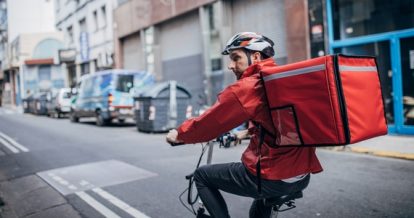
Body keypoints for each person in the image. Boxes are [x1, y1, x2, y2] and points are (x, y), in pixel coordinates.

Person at [166, 32, 323, 218]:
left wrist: (179, 134)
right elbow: (278, 122)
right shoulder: (279, 81)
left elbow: (211, 122)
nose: (230, 65)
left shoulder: (250, 86)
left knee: (202, 175)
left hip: (272, 175)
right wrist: (244, 134)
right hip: (301, 175)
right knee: (258, 210)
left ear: (255, 57)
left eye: (236, 58)